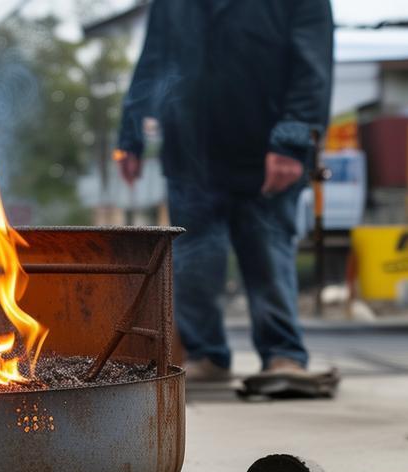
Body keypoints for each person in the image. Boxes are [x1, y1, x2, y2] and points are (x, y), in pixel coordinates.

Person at [114, 0, 333, 385]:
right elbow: (154, 57)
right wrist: (130, 134)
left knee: (267, 252)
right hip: (189, 152)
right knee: (193, 263)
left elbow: (313, 65)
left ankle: (282, 355)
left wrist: (292, 140)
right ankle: (206, 356)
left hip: (265, 153)